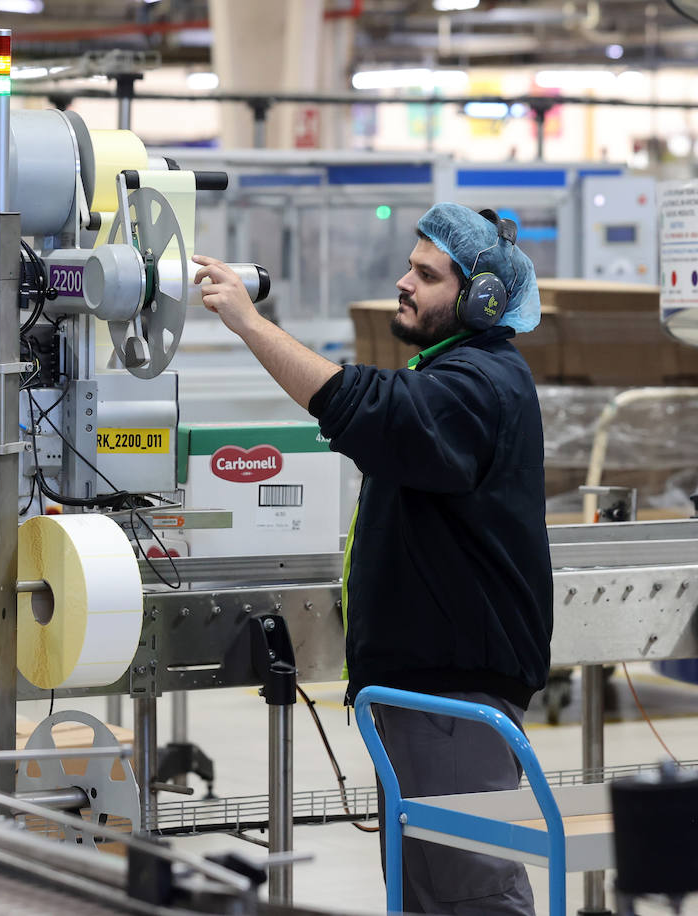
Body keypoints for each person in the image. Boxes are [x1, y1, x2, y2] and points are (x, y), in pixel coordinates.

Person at [194, 202, 552, 915]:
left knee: (471, 891)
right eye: (409, 267)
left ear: (481, 299)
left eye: (427, 274)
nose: (403, 282)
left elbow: (365, 407)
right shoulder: (456, 374)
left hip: (454, 698)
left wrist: (250, 324)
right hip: (427, 693)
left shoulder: (476, 387)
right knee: (427, 891)